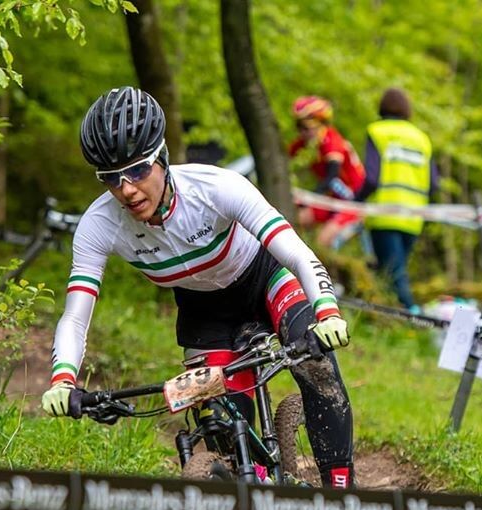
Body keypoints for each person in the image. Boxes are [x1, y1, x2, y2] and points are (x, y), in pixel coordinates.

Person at [41, 87, 356, 488]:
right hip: (204, 311)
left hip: (266, 279)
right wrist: (63, 379)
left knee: (316, 366)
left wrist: (326, 310)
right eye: (110, 178)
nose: (127, 189)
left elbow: (294, 250)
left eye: (138, 170)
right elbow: (75, 315)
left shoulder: (215, 187)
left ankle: (342, 502)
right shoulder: (99, 224)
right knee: (220, 424)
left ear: (163, 158)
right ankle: (259, 493)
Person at [356, 87, 437, 313]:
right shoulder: (422, 139)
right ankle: (387, 318)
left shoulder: (378, 131)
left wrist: (356, 199)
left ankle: (416, 317)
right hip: (414, 217)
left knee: (394, 273)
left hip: (385, 214)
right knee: (391, 271)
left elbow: (372, 177)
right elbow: (434, 183)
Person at [288, 95, 366, 249]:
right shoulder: (305, 143)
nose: (301, 133)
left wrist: (306, 199)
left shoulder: (332, 141)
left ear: (320, 125)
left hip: (351, 203)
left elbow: (331, 177)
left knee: (322, 242)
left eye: (305, 127)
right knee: (293, 220)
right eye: (298, 127)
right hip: (331, 201)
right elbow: (282, 160)